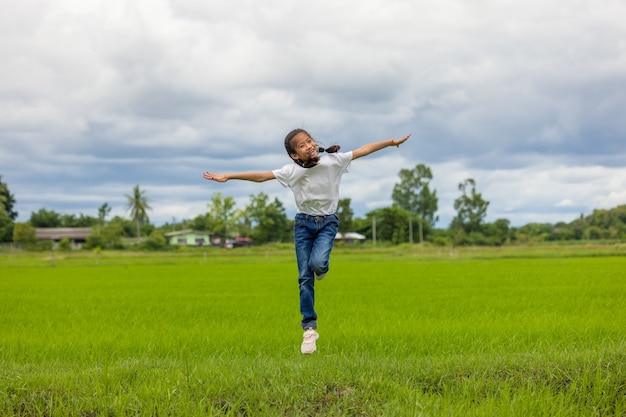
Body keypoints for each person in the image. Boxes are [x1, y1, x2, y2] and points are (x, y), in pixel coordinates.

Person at [203, 129, 411, 354]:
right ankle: (309, 329)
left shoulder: (333, 161)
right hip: (303, 225)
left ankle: (321, 270)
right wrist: (229, 176)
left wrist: (391, 142)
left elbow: (363, 150)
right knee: (304, 277)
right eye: (302, 145)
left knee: (318, 265)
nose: (309, 146)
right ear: (294, 155)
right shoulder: (290, 171)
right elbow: (261, 176)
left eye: (309, 141)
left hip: (328, 223)